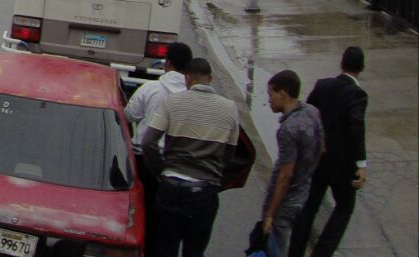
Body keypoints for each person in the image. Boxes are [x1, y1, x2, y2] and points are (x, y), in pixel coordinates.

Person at [139, 58, 241, 257]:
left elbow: (148, 142)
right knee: (194, 250)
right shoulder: (229, 108)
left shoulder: (172, 103)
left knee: (164, 247)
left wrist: (159, 171)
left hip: (171, 187)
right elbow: (230, 152)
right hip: (204, 192)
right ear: (210, 78)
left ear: (187, 79)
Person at [289, 47, 369, 257]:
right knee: (344, 207)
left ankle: (295, 252)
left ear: (341, 64)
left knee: (309, 206)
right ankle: (322, 252)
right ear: (362, 68)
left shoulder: (322, 85)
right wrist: (361, 164)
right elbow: (356, 127)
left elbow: (307, 113)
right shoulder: (358, 95)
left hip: (317, 159)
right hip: (342, 167)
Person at [127, 42, 195, 220]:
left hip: (143, 160)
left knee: (141, 210)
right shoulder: (193, 98)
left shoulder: (150, 88)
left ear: (168, 63)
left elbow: (130, 115)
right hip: (177, 166)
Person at [262, 70, 324, 257]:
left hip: (286, 201)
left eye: (271, 94)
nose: (269, 99)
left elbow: (285, 175)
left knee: (277, 248)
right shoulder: (312, 112)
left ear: (283, 93)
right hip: (304, 192)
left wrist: (270, 213)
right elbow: (321, 147)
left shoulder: (287, 129)